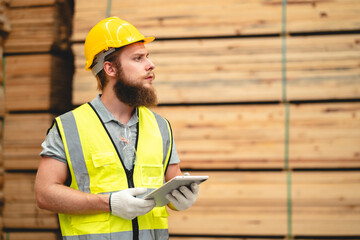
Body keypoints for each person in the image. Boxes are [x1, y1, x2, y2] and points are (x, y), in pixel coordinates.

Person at [35, 16, 200, 240]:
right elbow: (45, 194)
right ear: (110, 69)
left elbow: (173, 181)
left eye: (147, 56)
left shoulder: (160, 127)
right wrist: (108, 203)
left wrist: (181, 197)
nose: (150, 65)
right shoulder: (69, 127)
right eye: (138, 58)